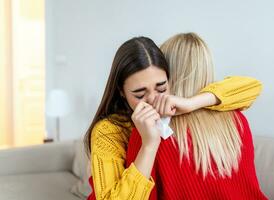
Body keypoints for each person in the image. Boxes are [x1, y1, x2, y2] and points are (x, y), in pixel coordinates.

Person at [84, 36, 262, 200]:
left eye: (161, 88)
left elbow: (253, 86)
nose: (154, 100)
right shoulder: (109, 131)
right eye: (139, 94)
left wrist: (191, 102)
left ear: (170, 80)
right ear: (121, 92)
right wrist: (149, 144)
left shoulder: (169, 125)